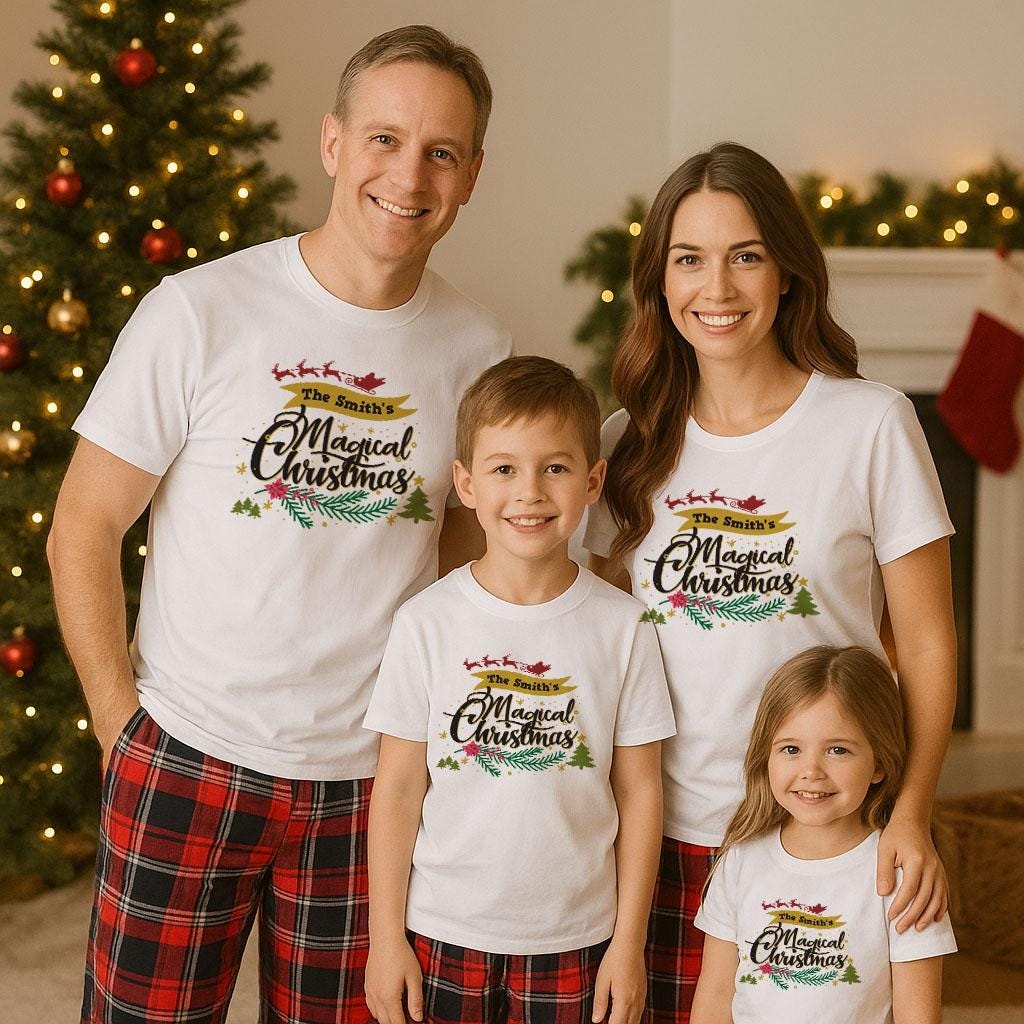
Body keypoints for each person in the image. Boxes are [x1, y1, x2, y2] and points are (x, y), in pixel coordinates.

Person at [47, 25, 511, 1024]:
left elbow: (462, 567)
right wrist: (118, 727)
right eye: (385, 139)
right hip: (184, 754)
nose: (408, 174)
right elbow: (83, 524)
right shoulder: (200, 311)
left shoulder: (478, 352)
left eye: (440, 151)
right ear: (334, 143)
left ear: (471, 175)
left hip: (365, 786)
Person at [584, 142, 957, 1022]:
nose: (717, 287)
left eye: (745, 255)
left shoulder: (870, 423)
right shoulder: (622, 445)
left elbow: (931, 639)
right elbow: (588, 638)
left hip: (824, 838)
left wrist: (911, 812)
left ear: (787, 271)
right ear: (659, 282)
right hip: (654, 843)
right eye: (689, 259)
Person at [362, 356, 676, 1024]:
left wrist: (629, 941)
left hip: (580, 940)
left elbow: (641, 790)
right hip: (443, 932)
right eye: (504, 469)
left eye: (555, 468)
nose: (529, 491)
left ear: (593, 482)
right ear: (467, 484)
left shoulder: (623, 627)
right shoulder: (426, 623)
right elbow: (396, 786)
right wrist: (384, 939)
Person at [690, 645, 956, 1023]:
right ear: (766, 756)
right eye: (791, 749)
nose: (811, 770)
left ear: (880, 762)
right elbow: (715, 997)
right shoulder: (740, 858)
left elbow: (919, 1014)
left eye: (837, 750)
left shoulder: (899, 872)